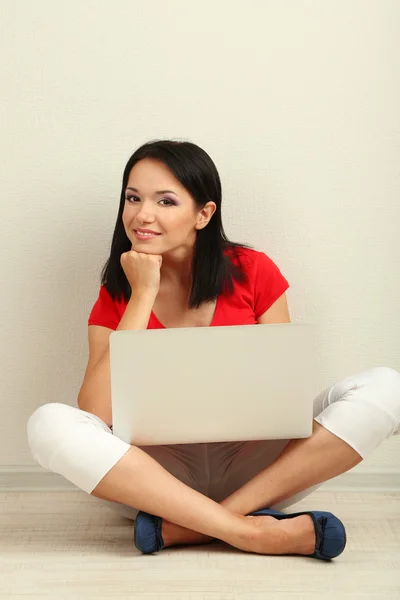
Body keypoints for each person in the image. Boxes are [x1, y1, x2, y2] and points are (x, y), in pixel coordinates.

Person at [27, 139, 400, 559]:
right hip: (155, 477)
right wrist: (142, 294)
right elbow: (95, 412)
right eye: (133, 198)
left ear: (203, 214)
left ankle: (195, 526)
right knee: (47, 423)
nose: (142, 215)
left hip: (255, 467)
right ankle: (253, 533)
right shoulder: (119, 290)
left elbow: (283, 394)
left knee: (389, 387)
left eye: (165, 201)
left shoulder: (253, 270)